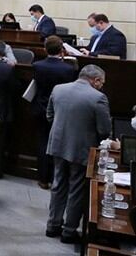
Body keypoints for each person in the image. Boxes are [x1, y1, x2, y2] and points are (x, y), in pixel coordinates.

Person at [46, 65, 111, 243]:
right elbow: (104, 131)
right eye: (102, 83)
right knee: (76, 189)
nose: (102, 86)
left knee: (58, 184)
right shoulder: (98, 98)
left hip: (58, 144)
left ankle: (52, 226)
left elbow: (50, 116)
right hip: (81, 149)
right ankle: (69, 231)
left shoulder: (58, 89)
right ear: (96, 80)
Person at [31, 36, 78, 189]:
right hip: (60, 111)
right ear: (61, 50)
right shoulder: (69, 69)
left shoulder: (37, 66)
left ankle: (43, 178)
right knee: (58, 145)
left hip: (40, 108)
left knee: (42, 142)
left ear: (45, 49)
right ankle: (56, 178)